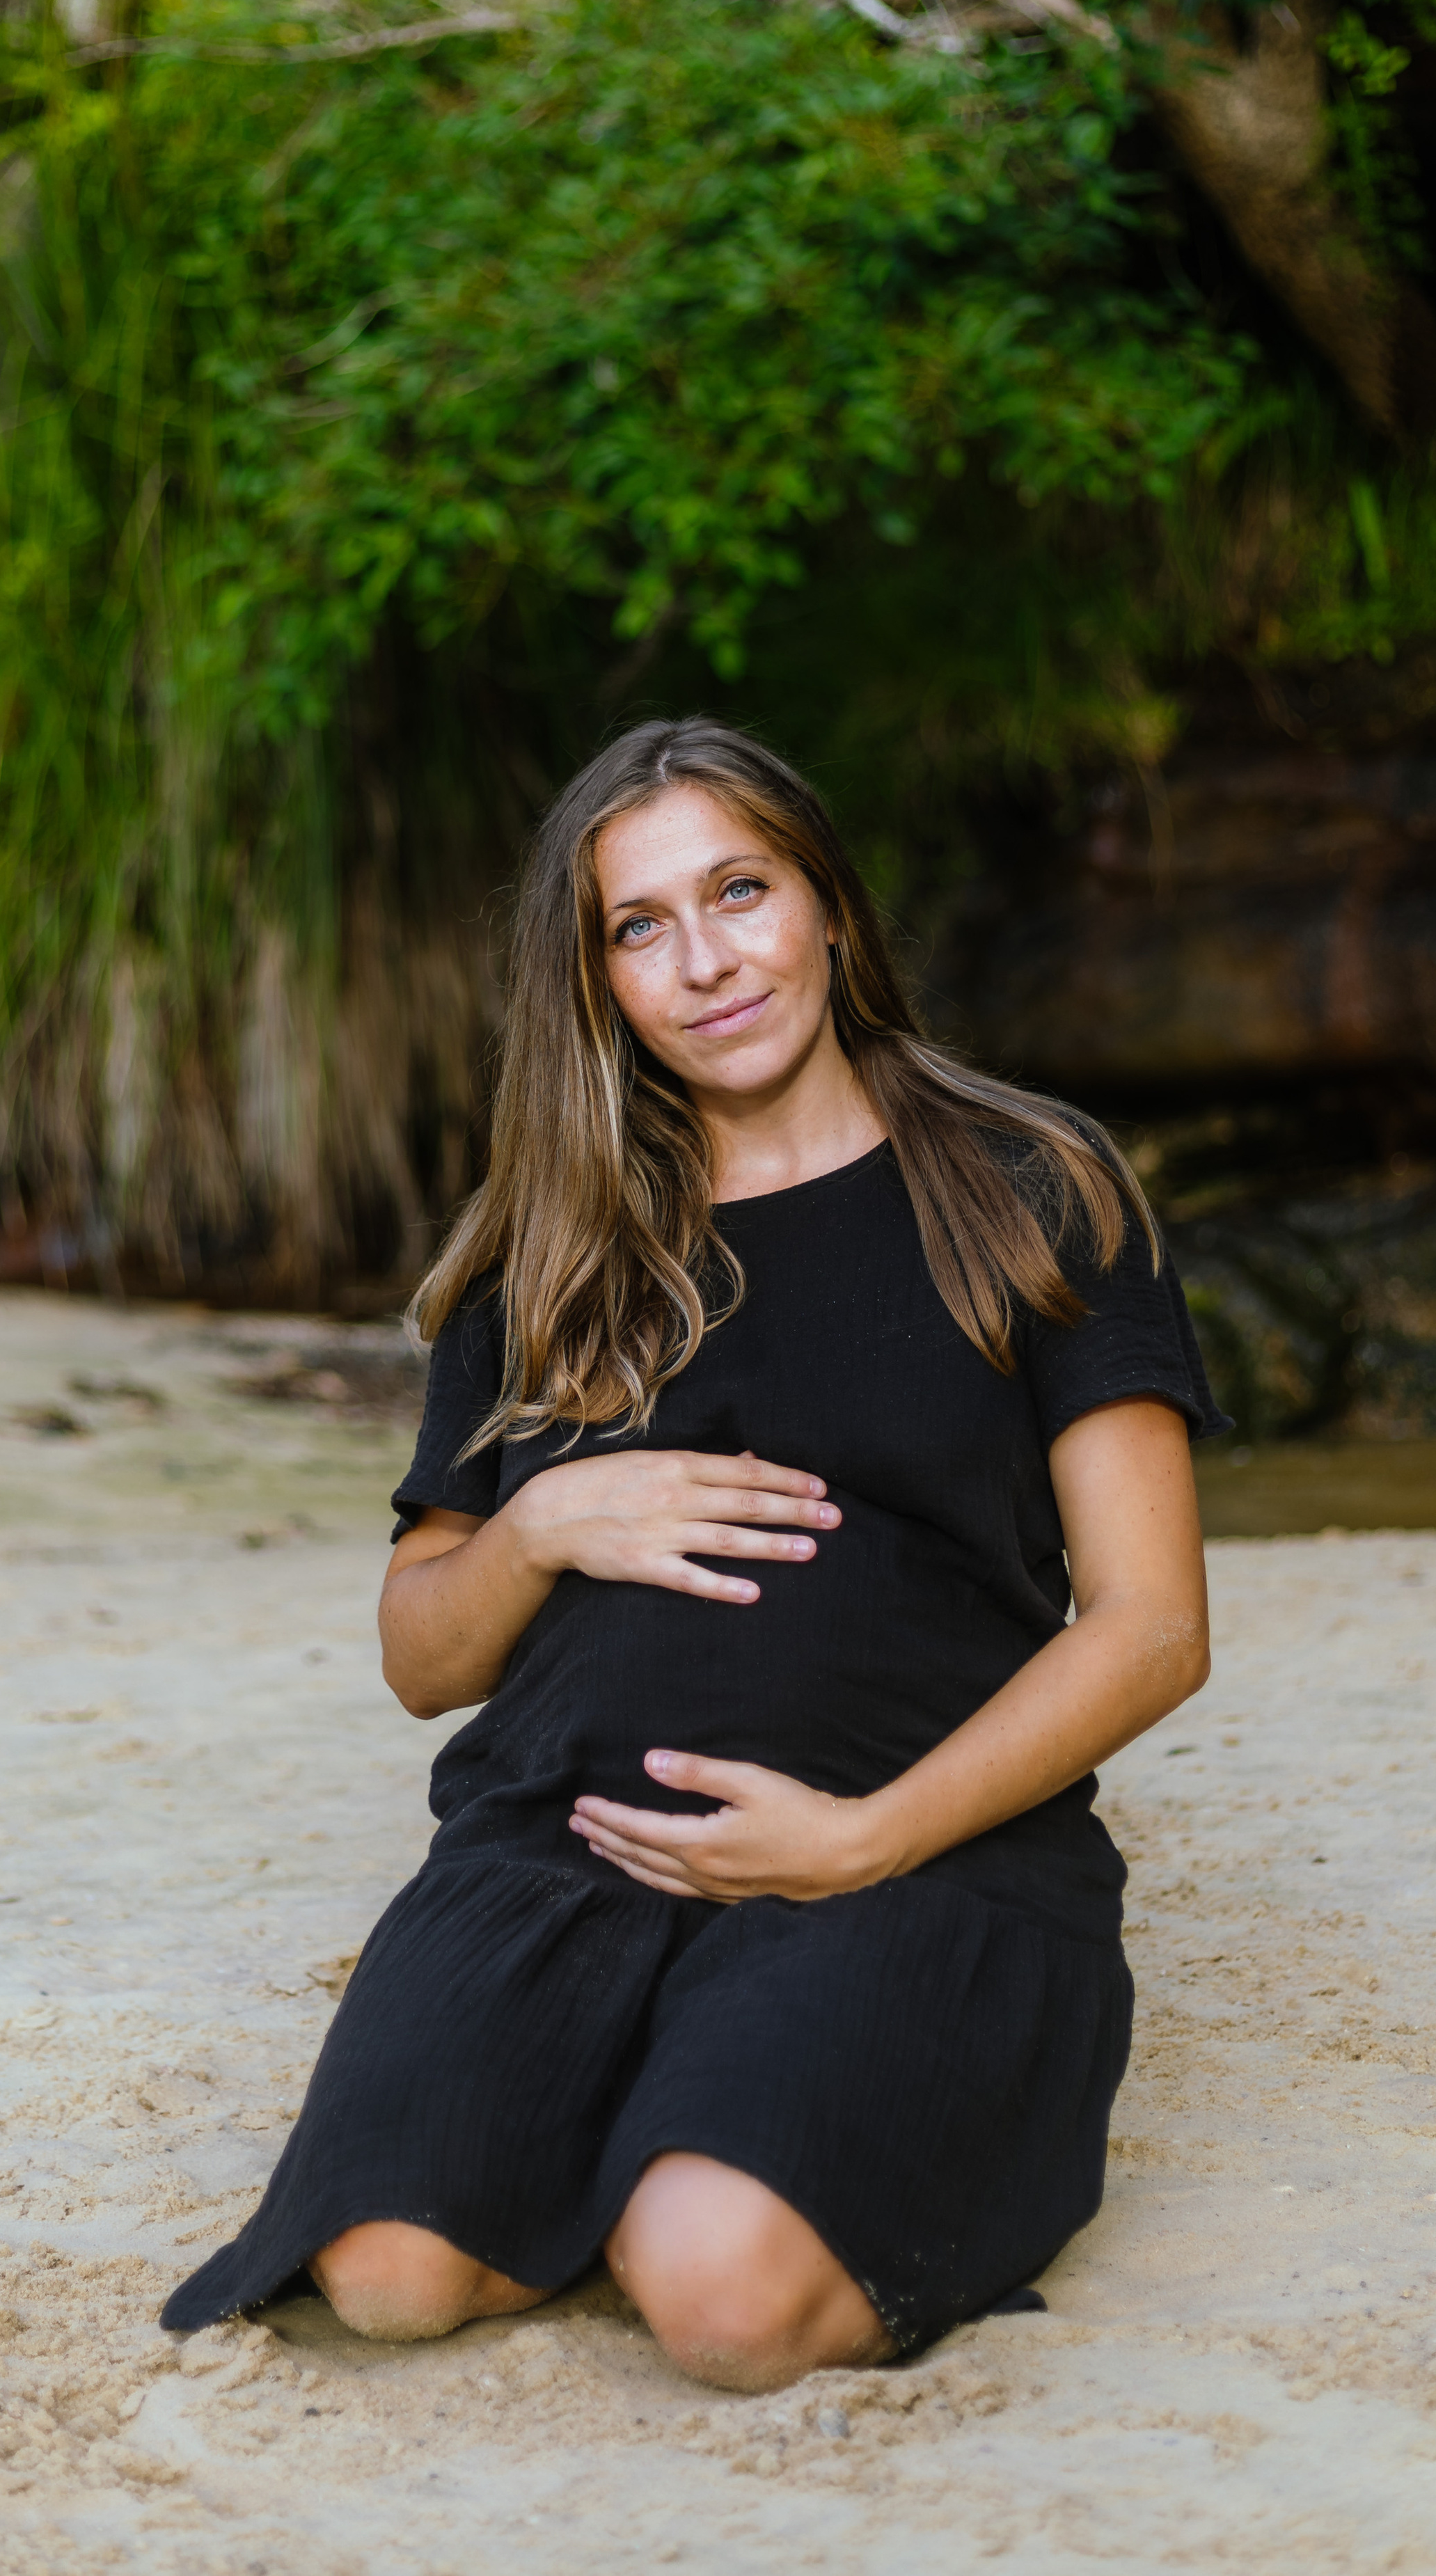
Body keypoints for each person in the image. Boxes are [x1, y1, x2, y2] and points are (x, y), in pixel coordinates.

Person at [163, 718, 1226, 2388]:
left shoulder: (1028, 1187)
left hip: (912, 1848)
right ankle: (663, 2093)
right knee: (380, 2277)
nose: (706, 960)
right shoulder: (551, 1245)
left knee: (718, 2304)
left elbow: (1153, 1626)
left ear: (828, 909)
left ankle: (713, 2135)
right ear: (593, 981)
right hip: (558, 1846)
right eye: (637, 926)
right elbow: (421, 1659)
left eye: (739, 891)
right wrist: (537, 1524)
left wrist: (863, 1841)